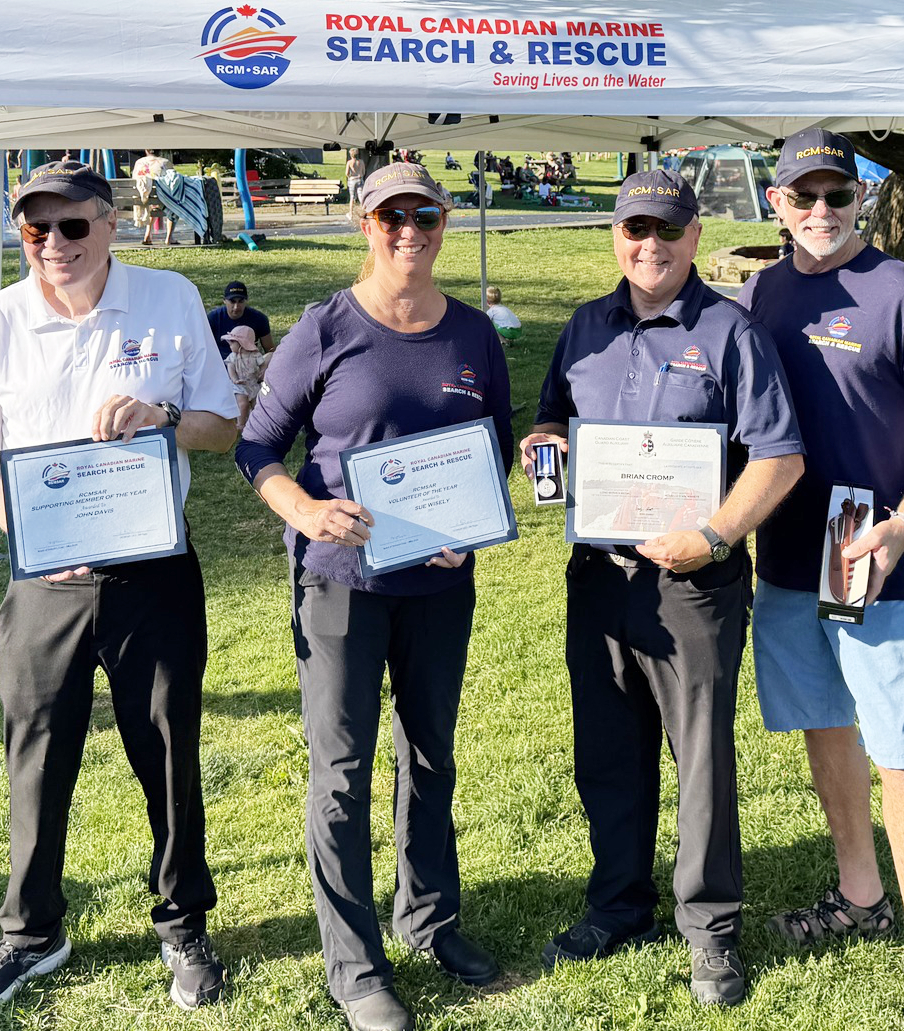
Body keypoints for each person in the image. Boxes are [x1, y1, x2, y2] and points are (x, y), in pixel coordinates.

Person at [0, 160, 239, 1015]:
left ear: (112, 222)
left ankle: (183, 921)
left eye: (71, 226)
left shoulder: (169, 298)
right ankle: (33, 931)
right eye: (34, 229)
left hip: (154, 570)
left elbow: (223, 429)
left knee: (168, 752)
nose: (52, 245)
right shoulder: (1, 316)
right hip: (47, 580)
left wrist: (166, 418)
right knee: (36, 757)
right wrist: (36, 541)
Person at [235, 162, 513, 1031]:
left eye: (424, 214)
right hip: (341, 584)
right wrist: (307, 510)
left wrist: (468, 521)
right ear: (365, 222)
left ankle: (430, 921)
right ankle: (353, 965)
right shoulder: (325, 327)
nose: (409, 230)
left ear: (441, 220)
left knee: (429, 753)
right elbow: (257, 449)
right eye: (391, 214)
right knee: (344, 769)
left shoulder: (473, 333)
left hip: (438, 582)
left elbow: (493, 448)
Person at [521, 168, 805, 1007]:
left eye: (668, 231)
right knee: (607, 754)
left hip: (695, 582)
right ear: (615, 234)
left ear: (692, 238)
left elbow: (779, 457)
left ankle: (710, 931)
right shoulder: (583, 326)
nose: (650, 246)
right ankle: (617, 904)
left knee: (701, 761)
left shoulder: (730, 331)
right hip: (598, 577)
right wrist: (547, 449)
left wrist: (713, 533)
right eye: (635, 229)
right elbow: (548, 420)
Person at [740, 127, 904, 1031]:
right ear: (777, 203)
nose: (821, 212)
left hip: (872, 556)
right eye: (803, 197)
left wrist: (901, 525)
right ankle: (858, 893)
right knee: (824, 725)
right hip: (790, 554)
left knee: (900, 751)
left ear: (860, 198)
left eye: (836, 194)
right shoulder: (758, 293)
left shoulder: (902, 291)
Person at [206, 280, 274, 358]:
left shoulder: (259, 319)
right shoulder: (212, 318)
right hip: (220, 363)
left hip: (249, 363)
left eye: (240, 301)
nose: (236, 307)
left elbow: (270, 350)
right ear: (224, 300)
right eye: (232, 301)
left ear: (246, 300)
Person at [220, 324, 268, 432]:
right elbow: (231, 368)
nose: (229, 345)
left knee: (257, 404)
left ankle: (257, 424)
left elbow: (262, 364)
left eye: (232, 342)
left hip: (253, 384)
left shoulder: (255, 355)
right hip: (239, 385)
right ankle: (240, 424)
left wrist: (263, 372)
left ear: (242, 343)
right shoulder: (233, 356)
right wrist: (234, 379)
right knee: (243, 404)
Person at [131, 149, 168, 234]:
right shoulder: (164, 162)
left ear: (146, 151)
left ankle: (148, 233)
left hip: (140, 198)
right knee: (172, 204)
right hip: (159, 199)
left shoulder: (139, 162)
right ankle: (169, 238)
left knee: (152, 200)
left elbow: (134, 178)